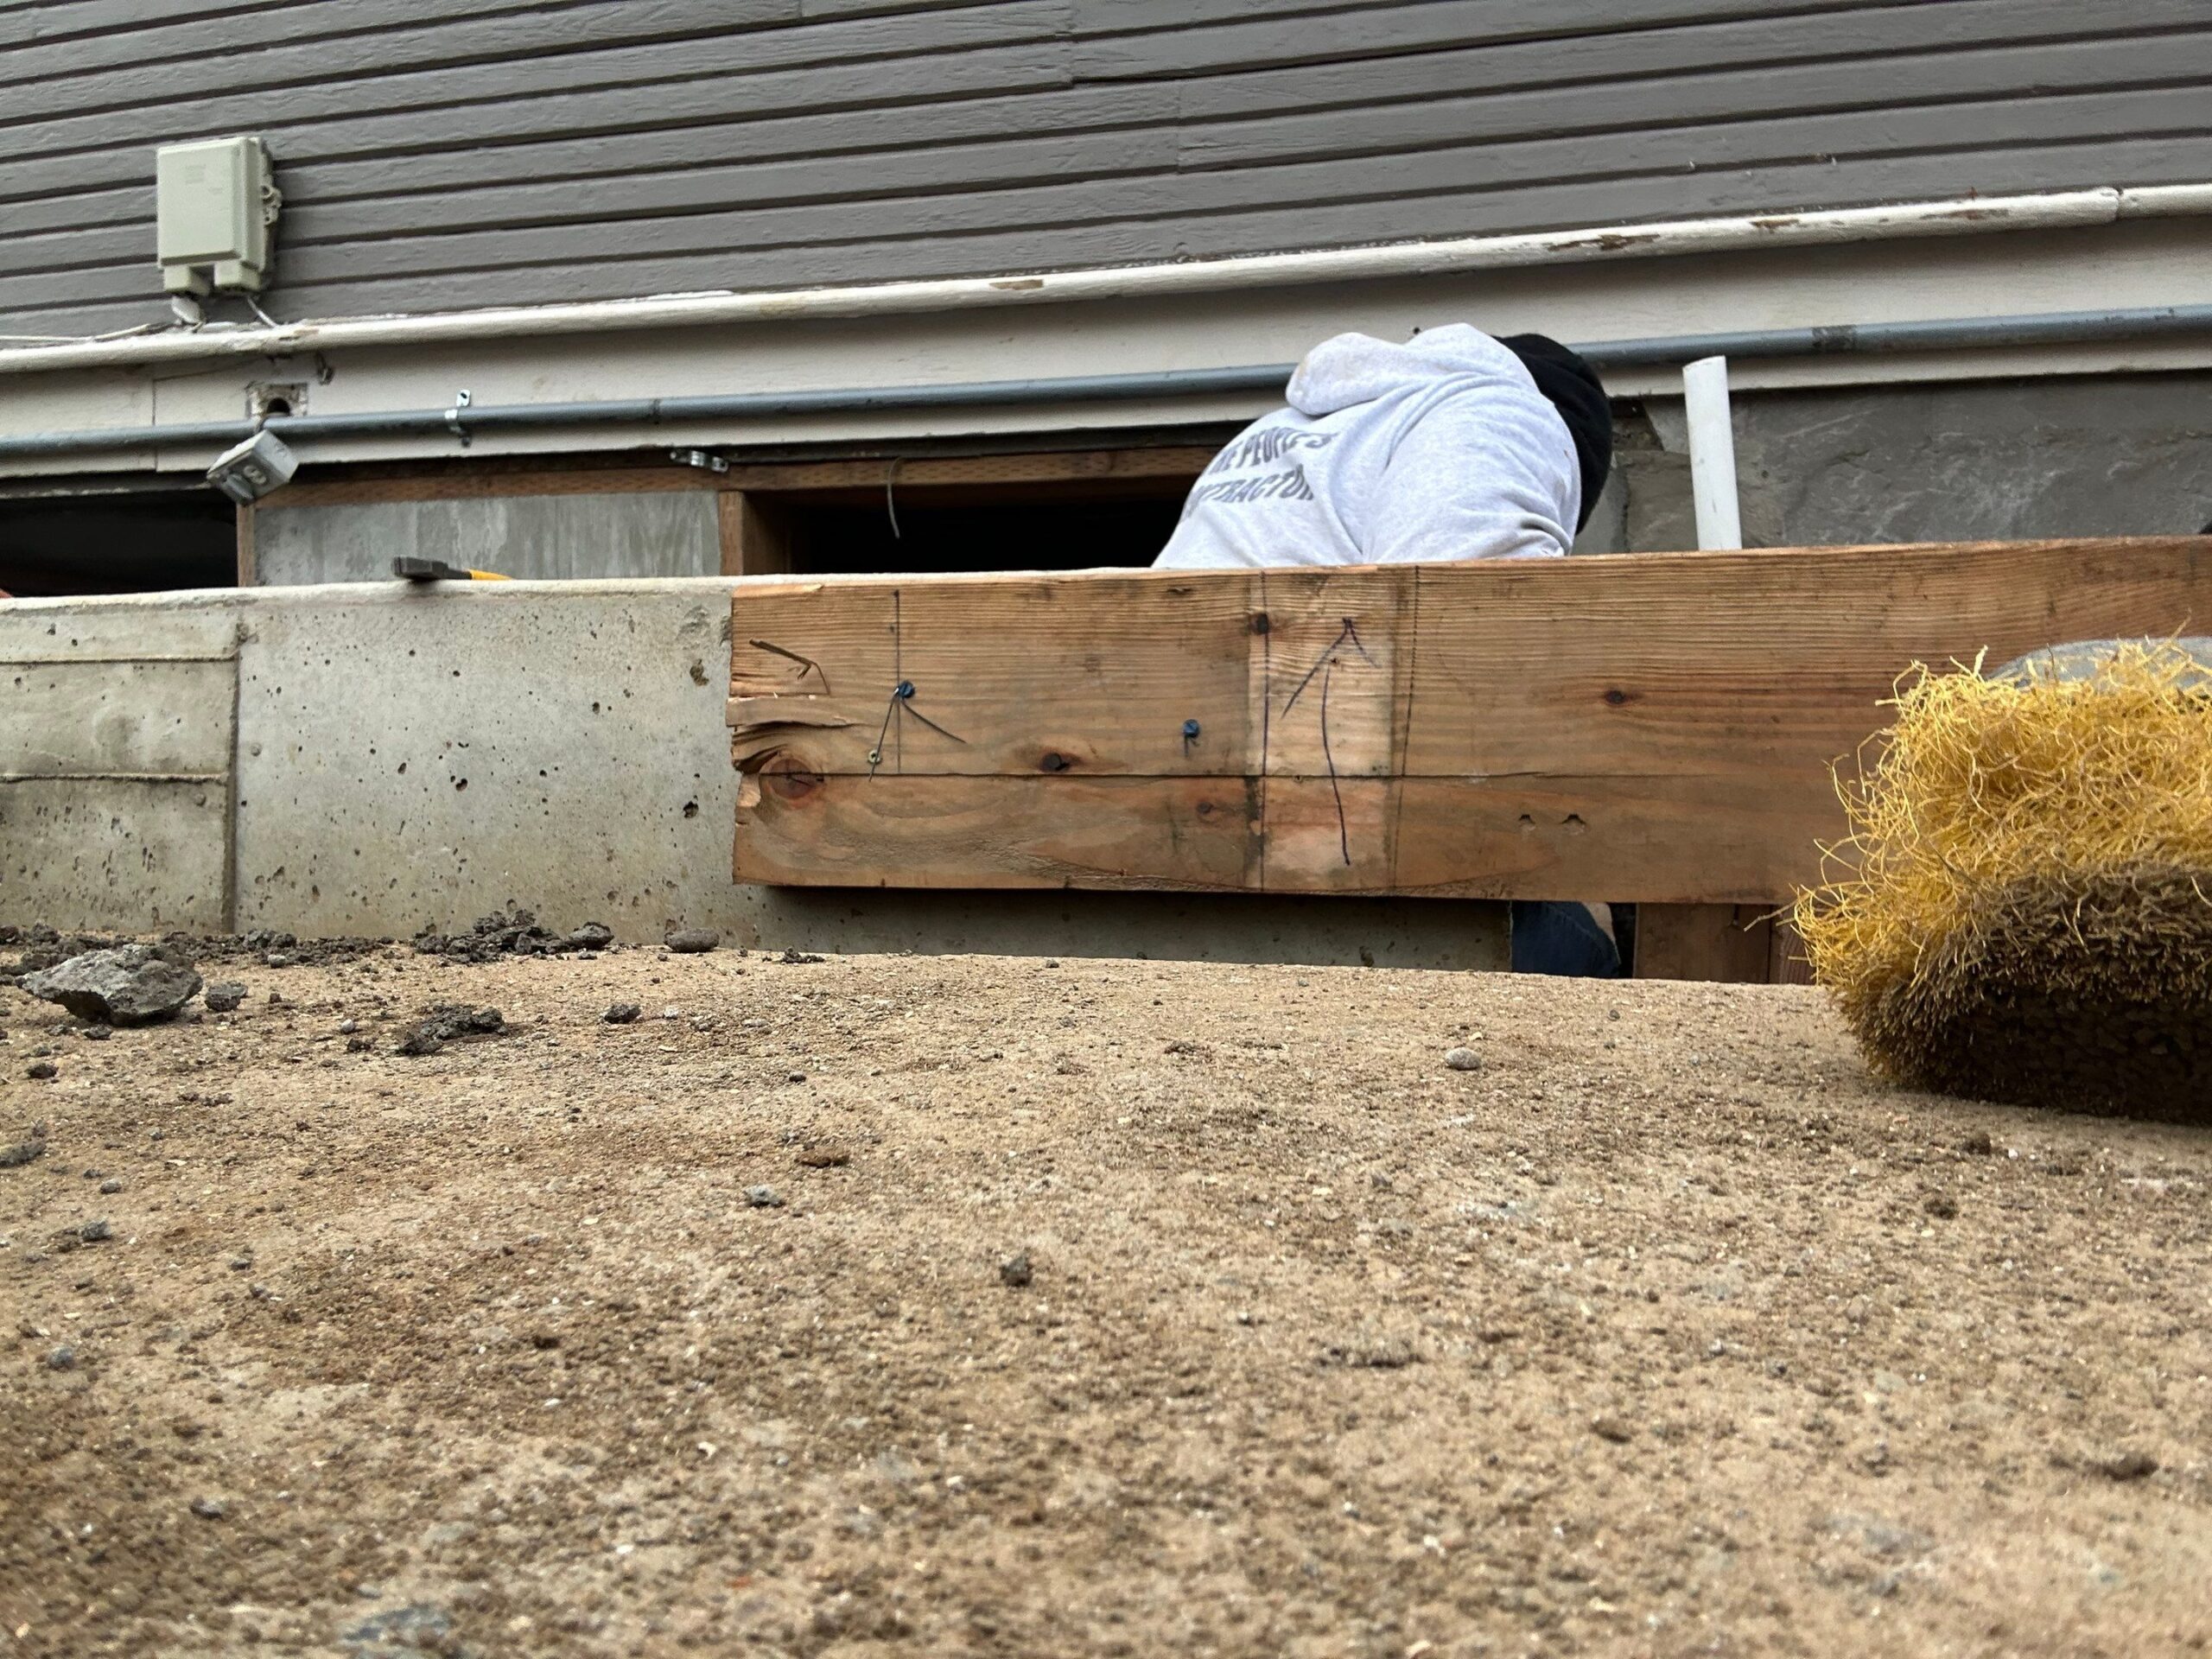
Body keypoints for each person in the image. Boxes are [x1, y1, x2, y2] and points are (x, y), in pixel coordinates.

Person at [1155, 323, 1621, 976]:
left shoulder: (1275, 434)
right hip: (1311, 864)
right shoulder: (1504, 413)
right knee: (1592, 940)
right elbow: (1468, 657)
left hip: (1153, 841)